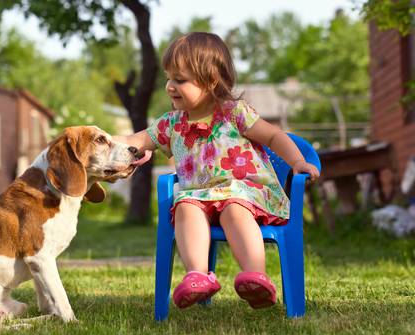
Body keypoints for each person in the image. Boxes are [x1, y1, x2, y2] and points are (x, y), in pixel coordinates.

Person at [118, 32, 320, 310]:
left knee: (233, 208)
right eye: (169, 78)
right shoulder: (172, 123)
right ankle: (198, 276)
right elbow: (136, 140)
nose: (169, 86)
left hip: (245, 193)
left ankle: (255, 277)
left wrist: (297, 162)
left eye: (180, 79)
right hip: (200, 197)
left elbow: (274, 137)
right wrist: (108, 144)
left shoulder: (235, 113)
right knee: (184, 205)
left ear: (210, 81)